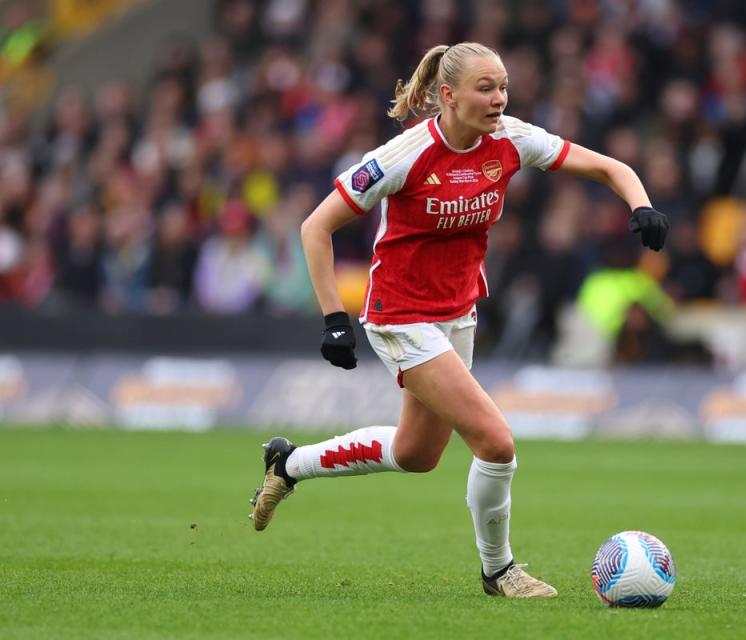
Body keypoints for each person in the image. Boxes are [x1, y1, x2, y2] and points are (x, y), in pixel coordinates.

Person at [249, 42, 669, 599]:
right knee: (496, 442)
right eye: (485, 88)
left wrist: (639, 204)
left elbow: (610, 166)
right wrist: (333, 317)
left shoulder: (512, 139)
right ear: (447, 95)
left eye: (503, 87)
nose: (499, 99)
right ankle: (500, 571)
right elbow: (313, 228)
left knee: (416, 454)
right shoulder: (404, 155)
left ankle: (289, 463)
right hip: (401, 316)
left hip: (457, 312)